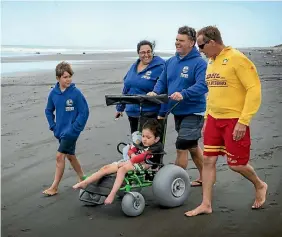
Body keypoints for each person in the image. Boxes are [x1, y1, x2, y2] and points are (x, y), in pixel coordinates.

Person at [185, 26, 268, 217]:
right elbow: (213, 94)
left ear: (212, 42)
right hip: (214, 119)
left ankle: (260, 184)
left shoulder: (237, 59)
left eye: (201, 46)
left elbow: (254, 90)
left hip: (234, 120)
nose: (200, 51)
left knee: (236, 164)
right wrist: (207, 118)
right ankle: (206, 204)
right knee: (208, 160)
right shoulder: (211, 62)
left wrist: (243, 121)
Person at [147, 26, 208, 186]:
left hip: (194, 111)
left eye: (181, 41)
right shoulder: (171, 62)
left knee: (181, 145)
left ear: (191, 43)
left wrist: (184, 93)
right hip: (176, 111)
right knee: (192, 146)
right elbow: (162, 81)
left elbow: (203, 85)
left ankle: (175, 182)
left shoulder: (199, 63)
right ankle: (206, 177)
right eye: (176, 40)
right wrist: (155, 92)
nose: (177, 43)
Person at [84, 118, 163, 205]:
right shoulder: (143, 143)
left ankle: (112, 194)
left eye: (148, 137)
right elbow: (131, 150)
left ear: (156, 139)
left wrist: (133, 157)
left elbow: (142, 156)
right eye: (143, 136)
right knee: (107, 167)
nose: (144, 139)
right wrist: (133, 155)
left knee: (122, 169)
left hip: (148, 165)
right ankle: (86, 183)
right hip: (135, 162)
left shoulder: (157, 147)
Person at [43, 61, 89, 196]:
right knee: (70, 156)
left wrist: (75, 128)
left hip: (71, 132)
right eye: (65, 77)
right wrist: (53, 126)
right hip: (59, 131)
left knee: (59, 156)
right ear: (58, 78)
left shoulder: (76, 93)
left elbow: (84, 112)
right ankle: (82, 177)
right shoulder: (53, 93)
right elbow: (48, 110)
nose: (68, 79)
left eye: (70, 76)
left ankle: (54, 187)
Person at [116, 40, 166, 134]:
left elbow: (165, 89)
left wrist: (162, 113)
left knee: (149, 144)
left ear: (152, 52)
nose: (146, 55)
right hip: (132, 112)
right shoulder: (134, 66)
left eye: (148, 52)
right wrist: (120, 107)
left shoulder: (160, 67)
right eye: (143, 52)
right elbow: (127, 87)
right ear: (138, 53)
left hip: (150, 113)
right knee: (136, 142)